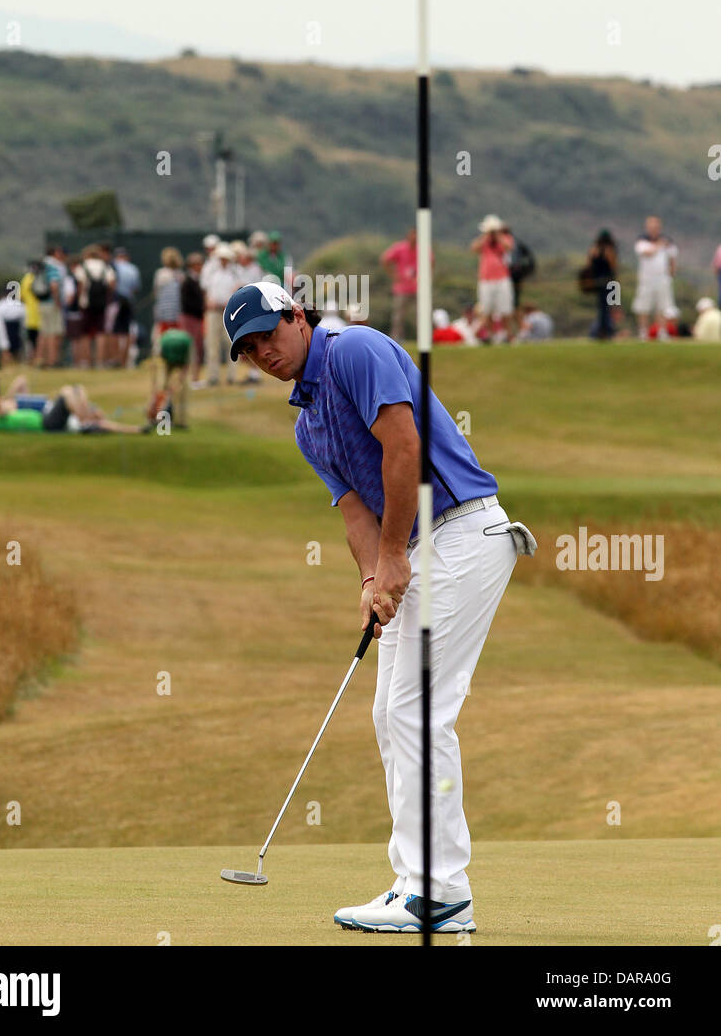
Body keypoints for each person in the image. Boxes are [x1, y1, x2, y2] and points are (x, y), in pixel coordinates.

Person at [223, 280, 535, 935]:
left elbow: (404, 447)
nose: (263, 353)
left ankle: (443, 892)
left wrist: (394, 556)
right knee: (389, 714)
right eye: (249, 350)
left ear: (298, 317)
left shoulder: (356, 351)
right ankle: (413, 883)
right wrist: (373, 577)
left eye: (268, 335)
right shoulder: (309, 427)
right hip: (420, 550)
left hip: (462, 532)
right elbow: (354, 510)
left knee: (417, 711)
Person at [0, 374, 149, 434]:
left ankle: (136, 430)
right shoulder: (1, 421)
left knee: (78, 391)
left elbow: (21, 380)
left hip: (49, 419)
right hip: (47, 423)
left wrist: (136, 431)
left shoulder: (4, 415)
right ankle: (83, 416)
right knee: (67, 392)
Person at [469, 215, 516, 340]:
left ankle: (508, 334)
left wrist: (498, 236)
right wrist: (486, 237)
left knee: (505, 309)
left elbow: (509, 247)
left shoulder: (505, 238)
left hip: (502, 278)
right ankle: (490, 335)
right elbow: (474, 248)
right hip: (485, 280)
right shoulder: (484, 241)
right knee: (487, 309)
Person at [632, 216, 677, 340]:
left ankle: (662, 332)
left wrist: (672, 272)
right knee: (643, 307)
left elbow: (672, 257)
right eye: (651, 227)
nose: (653, 229)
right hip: (646, 279)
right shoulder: (642, 241)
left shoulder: (667, 241)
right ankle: (643, 332)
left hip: (663, 279)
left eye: (656, 227)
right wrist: (659, 244)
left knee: (663, 307)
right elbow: (648, 253)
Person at [74, 245, 116, 368]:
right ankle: (100, 361)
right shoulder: (105, 267)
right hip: (101, 304)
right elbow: (112, 284)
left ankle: (86, 361)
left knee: (85, 334)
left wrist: (79, 300)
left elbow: (80, 285)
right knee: (101, 332)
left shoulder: (83, 267)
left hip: (86, 304)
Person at [204, 243, 238, 384]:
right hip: (213, 312)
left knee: (231, 343)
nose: (223, 260)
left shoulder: (234, 272)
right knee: (212, 345)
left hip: (228, 312)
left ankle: (231, 376)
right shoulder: (211, 271)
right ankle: (213, 376)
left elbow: (238, 288)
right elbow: (206, 289)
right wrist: (208, 302)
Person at [148, 328, 192, 429]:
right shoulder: (162, 344)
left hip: (181, 359)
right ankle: (156, 416)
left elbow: (186, 367)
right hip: (166, 360)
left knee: (182, 389)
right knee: (161, 387)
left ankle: (181, 421)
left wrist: (177, 384)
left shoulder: (185, 344)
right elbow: (155, 366)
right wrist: (155, 390)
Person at [380, 229, 418, 342]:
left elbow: (431, 262)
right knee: (398, 317)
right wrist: (393, 275)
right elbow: (385, 259)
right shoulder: (400, 248)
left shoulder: (423, 248)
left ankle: (423, 338)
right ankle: (396, 339)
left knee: (421, 315)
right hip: (402, 288)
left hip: (418, 288)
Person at [586, 230, 618, 340]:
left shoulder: (603, 249)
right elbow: (590, 265)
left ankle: (607, 330)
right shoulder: (599, 249)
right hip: (603, 282)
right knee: (605, 307)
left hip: (606, 282)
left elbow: (613, 266)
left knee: (609, 306)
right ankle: (604, 330)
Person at [179, 252, 206, 386]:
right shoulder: (188, 281)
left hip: (196, 318)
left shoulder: (198, 279)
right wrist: (203, 306)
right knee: (191, 348)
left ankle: (194, 377)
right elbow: (188, 302)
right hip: (190, 318)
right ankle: (187, 378)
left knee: (197, 348)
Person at [112, 247, 141, 367]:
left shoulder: (113, 267)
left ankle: (116, 359)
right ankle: (124, 360)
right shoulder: (133, 268)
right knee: (128, 331)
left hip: (116, 301)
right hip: (129, 301)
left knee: (114, 331)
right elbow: (136, 288)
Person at [38, 246, 67, 367]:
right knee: (53, 333)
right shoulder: (54, 266)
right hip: (51, 303)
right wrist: (57, 301)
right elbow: (54, 286)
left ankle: (40, 359)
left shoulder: (40, 266)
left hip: (41, 303)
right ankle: (52, 361)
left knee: (44, 333)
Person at [19, 261, 43, 361]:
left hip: (29, 313)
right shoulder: (41, 277)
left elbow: (21, 297)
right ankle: (40, 357)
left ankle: (31, 359)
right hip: (40, 312)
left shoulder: (26, 279)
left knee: (30, 339)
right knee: (40, 338)